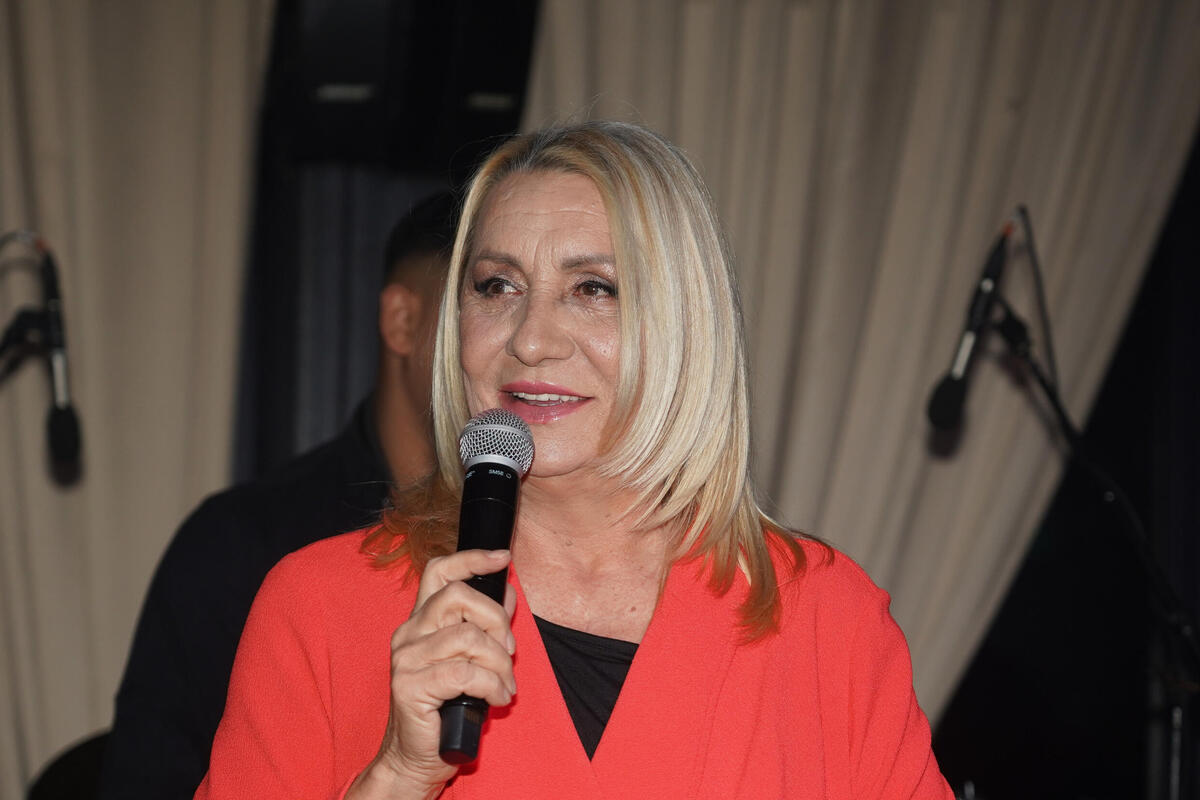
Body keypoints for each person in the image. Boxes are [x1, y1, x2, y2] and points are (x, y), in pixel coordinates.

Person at [197, 121, 953, 799]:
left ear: (686, 326)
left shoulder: (828, 620)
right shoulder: (320, 608)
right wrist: (397, 777)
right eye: (498, 286)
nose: (530, 339)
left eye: (594, 288)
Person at [98, 191, 458, 800]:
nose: (517, 337)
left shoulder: (532, 540)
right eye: (486, 294)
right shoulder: (241, 541)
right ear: (403, 321)